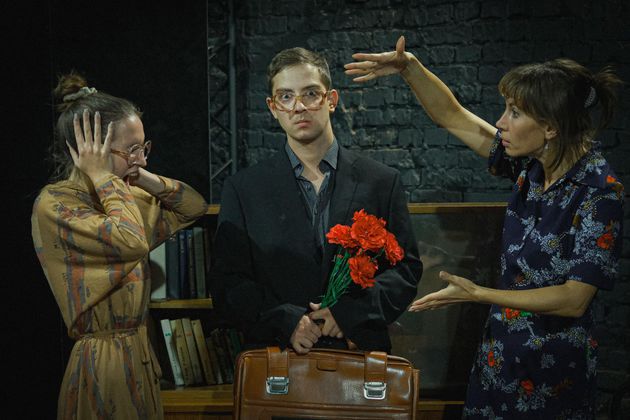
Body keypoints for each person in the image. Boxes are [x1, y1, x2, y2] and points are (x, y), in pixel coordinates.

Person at [345, 36, 624, 418]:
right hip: (499, 358)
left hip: (553, 373)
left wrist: (478, 294)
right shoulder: (530, 165)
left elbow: (574, 299)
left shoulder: (598, 191)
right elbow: (453, 116)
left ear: (550, 128)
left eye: (514, 113)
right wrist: (409, 68)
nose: (500, 122)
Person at [209, 47, 422, 354]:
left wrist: (349, 313)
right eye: (286, 96)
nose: (299, 107)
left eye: (310, 94)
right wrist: (286, 321)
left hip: (359, 353)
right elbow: (227, 283)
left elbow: (405, 271)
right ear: (272, 107)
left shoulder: (381, 181)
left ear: (331, 100)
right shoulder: (243, 189)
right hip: (277, 354)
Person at [31, 73, 208, 420]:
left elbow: (194, 207)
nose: (142, 158)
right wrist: (102, 176)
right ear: (90, 149)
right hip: (103, 363)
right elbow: (130, 240)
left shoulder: (124, 196)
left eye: (143, 148)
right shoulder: (58, 205)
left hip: (139, 353)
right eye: (131, 150)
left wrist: (141, 175)